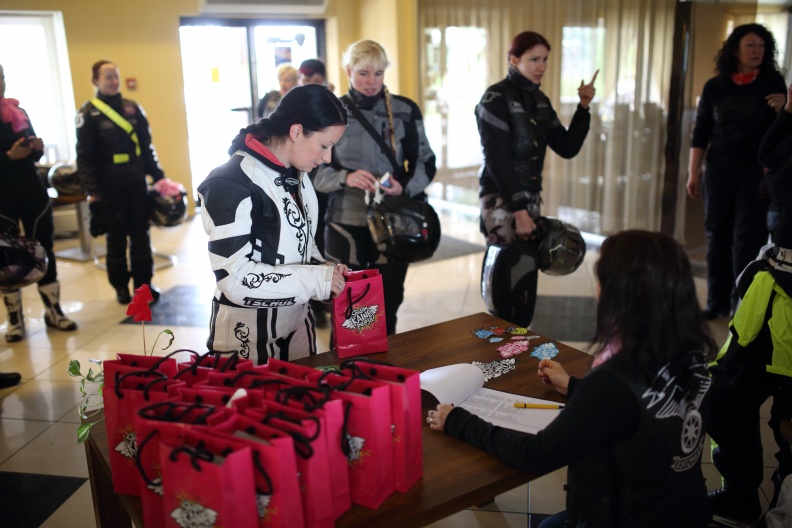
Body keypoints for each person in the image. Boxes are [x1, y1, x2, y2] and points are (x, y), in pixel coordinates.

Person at [428, 230, 718, 528]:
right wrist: (573, 386)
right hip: (687, 512)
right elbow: (642, 409)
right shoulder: (693, 353)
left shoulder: (611, 382)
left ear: (616, 296)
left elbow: (537, 454)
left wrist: (459, 421)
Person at [198, 84, 349, 364]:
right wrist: (316, 281)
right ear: (296, 132)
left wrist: (325, 271)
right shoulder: (230, 182)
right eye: (325, 146)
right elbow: (234, 279)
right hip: (246, 332)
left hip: (298, 320)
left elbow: (302, 245)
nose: (328, 158)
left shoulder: (297, 172)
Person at [704, 83, 792, 527]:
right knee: (723, 398)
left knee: (788, 425)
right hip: (772, 293)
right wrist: (788, 113)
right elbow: (772, 158)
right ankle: (740, 497)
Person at [313, 39, 437, 335]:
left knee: (388, 301)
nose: (372, 81)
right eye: (364, 73)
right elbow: (312, 169)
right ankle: (349, 361)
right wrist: (345, 178)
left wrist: (403, 187)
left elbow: (425, 161)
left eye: (378, 73)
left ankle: (384, 359)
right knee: (348, 303)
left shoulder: (405, 110)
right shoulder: (330, 111)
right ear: (348, 70)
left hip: (393, 223)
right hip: (345, 220)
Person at [475, 31, 596, 326]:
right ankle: (499, 340)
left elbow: (566, 146)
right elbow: (498, 161)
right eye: (533, 59)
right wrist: (519, 211)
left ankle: (518, 339)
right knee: (505, 276)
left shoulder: (540, 100)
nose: (541, 66)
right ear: (513, 59)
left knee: (525, 274)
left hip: (529, 198)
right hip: (501, 198)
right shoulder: (495, 98)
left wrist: (583, 107)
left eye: (544, 60)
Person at [686, 23, 786, 320]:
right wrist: (693, 172)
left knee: (747, 239)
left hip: (757, 175)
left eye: (762, 46)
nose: (757, 51)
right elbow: (701, 132)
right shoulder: (715, 87)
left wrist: (785, 109)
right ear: (735, 50)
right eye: (750, 45)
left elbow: (784, 133)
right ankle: (716, 302)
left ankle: (740, 304)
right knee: (717, 235)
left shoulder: (773, 82)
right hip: (718, 172)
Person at [76, 60, 174, 304]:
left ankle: (144, 286)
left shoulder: (133, 109)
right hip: (109, 187)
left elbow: (147, 148)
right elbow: (84, 158)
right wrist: (92, 191)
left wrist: (159, 178)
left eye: (116, 76)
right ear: (96, 80)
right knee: (116, 238)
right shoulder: (88, 114)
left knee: (141, 236)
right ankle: (120, 287)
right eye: (108, 77)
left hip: (136, 183)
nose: (113, 81)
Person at [0, 63, 77, 342]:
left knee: (45, 248)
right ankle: (15, 319)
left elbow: (31, 156)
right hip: (3, 196)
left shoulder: (18, 111)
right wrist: (9, 157)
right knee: (5, 255)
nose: (1, 83)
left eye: (2, 77)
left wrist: (36, 149)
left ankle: (53, 310)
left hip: (31, 190)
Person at [298, 58, 333, 327]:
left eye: (317, 81)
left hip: (322, 186)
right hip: (298, 184)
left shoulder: (330, 109)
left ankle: (320, 302)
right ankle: (311, 301)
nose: (311, 85)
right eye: (307, 81)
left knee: (318, 239)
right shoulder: (292, 110)